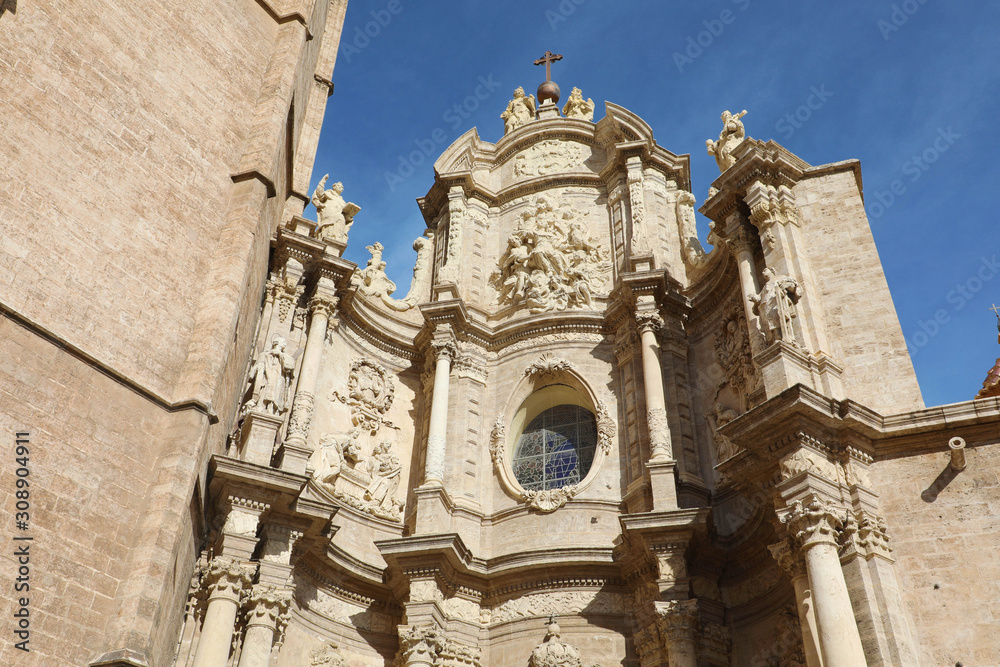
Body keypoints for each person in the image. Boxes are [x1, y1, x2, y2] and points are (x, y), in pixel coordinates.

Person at [248, 337, 295, 415]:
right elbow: (256, 368)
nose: (285, 344)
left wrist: (280, 355)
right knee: (265, 391)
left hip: (278, 378)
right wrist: (260, 366)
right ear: (277, 342)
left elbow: (290, 367)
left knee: (275, 394)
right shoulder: (265, 354)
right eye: (283, 341)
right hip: (267, 376)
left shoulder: (285, 356)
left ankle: (271, 409)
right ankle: (261, 406)